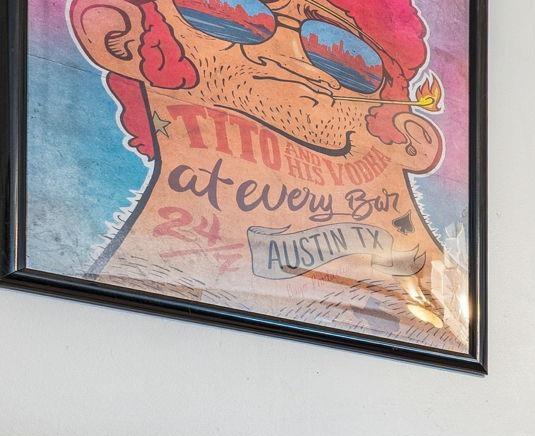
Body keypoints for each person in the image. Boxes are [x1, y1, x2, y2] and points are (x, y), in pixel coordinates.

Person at [67, 0, 467, 351]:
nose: (289, 55)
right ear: (119, 36)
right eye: (231, 13)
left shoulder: (436, 319)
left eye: (343, 53)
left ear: (407, 135)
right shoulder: (136, 301)